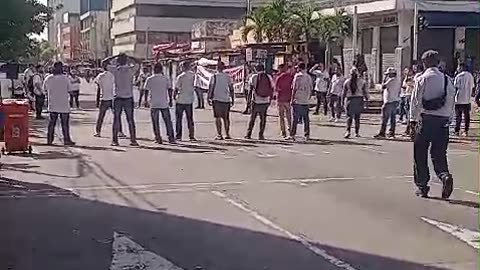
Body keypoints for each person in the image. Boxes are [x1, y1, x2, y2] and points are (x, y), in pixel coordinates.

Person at [410, 50, 455, 199]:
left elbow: (415, 102)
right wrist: (449, 119)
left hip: (426, 120)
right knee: (439, 154)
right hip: (443, 122)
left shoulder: (422, 79)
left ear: (425, 63)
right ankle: (444, 176)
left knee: (420, 154)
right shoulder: (447, 80)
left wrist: (412, 121)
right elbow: (451, 102)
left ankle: (422, 186)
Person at [102, 53, 141, 146]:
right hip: (128, 97)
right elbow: (139, 62)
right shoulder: (131, 70)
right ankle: (133, 140)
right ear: (126, 61)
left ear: (118, 61)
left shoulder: (115, 70)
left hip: (118, 97)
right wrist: (130, 57)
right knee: (130, 119)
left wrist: (113, 56)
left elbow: (103, 63)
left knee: (116, 119)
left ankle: (115, 141)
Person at [43, 62, 75, 146]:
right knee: (65, 124)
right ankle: (66, 140)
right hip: (64, 105)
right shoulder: (65, 78)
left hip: (52, 104)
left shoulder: (48, 78)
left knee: (51, 124)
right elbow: (71, 90)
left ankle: (49, 140)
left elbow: (44, 90)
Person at [144, 63, 175, 144]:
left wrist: (145, 100)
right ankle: (171, 138)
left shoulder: (149, 79)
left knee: (155, 122)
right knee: (167, 121)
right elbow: (170, 89)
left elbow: (146, 90)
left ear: (154, 70)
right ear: (161, 69)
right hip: (164, 103)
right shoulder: (165, 79)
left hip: (154, 103)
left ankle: (158, 138)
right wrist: (171, 100)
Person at [94, 64, 124, 137]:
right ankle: (120, 131)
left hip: (104, 98)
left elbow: (97, 84)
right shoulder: (114, 75)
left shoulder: (100, 76)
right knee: (117, 116)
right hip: (113, 97)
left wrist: (97, 100)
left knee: (101, 116)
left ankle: (98, 132)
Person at [245, 63, 273, 140]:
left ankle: (248, 134)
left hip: (256, 100)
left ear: (256, 69)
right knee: (263, 119)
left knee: (252, 118)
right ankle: (261, 134)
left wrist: (248, 102)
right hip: (265, 101)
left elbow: (250, 90)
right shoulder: (268, 77)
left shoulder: (253, 77)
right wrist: (270, 99)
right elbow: (271, 88)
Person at [208, 61, 234, 140]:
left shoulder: (214, 77)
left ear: (217, 67)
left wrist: (208, 97)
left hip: (216, 99)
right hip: (226, 99)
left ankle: (219, 134)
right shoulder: (228, 77)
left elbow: (211, 87)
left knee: (217, 117)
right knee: (226, 118)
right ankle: (227, 134)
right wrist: (232, 99)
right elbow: (231, 89)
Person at [374, 67, 401, 138]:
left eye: (388, 74)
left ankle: (382, 133)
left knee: (384, 118)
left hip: (388, 101)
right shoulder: (398, 80)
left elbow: (383, 86)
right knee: (393, 118)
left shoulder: (391, 80)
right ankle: (391, 132)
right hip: (395, 100)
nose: (388, 75)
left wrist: (384, 78)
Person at [342, 67, 369, 138]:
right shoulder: (362, 81)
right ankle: (357, 132)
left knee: (349, 117)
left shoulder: (347, 81)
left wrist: (342, 101)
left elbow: (343, 93)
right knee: (357, 117)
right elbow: (365, 92)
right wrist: (366, 100)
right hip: (359, 99)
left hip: (350, 100)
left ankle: (348, 131)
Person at [289, 62, 313, 140]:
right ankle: (307, 135)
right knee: (306, 118)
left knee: (295, 118)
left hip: (298, 99)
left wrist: (292, 99)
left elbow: (294, 88)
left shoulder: (297, 76)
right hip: (305, 100)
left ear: (299, 68)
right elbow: (311, 88)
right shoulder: (309, 77)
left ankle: (292, 134)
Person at [174, 61, 196, 141]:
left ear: (183, 67)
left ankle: (178, 136)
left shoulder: (180, 76)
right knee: (190, 118)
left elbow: (176, 88)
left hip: (180, 100)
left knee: (179, 119)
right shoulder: (193, 75)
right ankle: (192, 135)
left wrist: (173, 96)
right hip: (189, 100)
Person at [453, 63, 475, 136]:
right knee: (466, 116)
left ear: (461, 67)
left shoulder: (458, 76)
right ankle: (466, 130)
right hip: (467, 99)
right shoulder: (470, 76)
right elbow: (472, 86)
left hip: (459, 99)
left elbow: (455, 87)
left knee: (458, 116)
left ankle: (457, 130)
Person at [275, 64, 294, 138]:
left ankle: (283, 132)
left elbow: (276, 88)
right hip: (288, 99)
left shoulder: (279, 77)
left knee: (281, 117)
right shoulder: (290, 77)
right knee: (289, 116)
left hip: (280, 99)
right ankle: (291, 130)